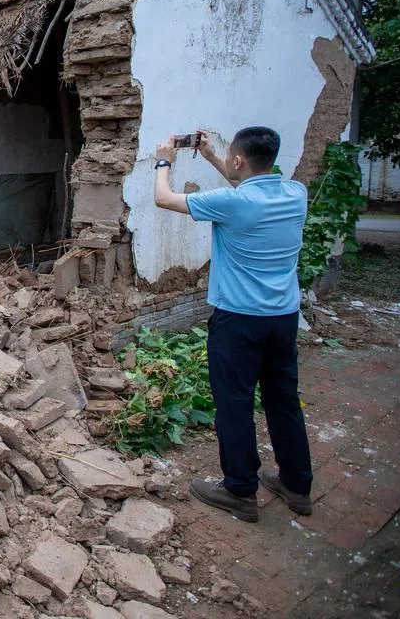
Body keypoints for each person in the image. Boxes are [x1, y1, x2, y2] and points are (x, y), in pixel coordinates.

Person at [152, 127, 313, 523]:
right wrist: (211, 156)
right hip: (283, 319)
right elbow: (247, 191)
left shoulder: (232, 202)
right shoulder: (296, 194)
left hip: (239, 320)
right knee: (283, 399)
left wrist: (164, 161)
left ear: (238, 161)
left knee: (235, 403)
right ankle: (296, 484)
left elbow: (163, 198)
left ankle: (240, 489)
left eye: (231, 160)